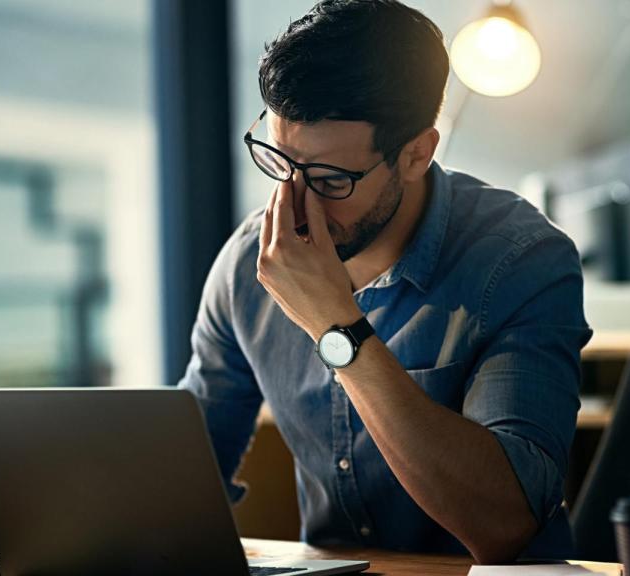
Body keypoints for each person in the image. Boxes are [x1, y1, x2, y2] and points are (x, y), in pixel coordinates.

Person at [178, 0, 591, 563]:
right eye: (279, 162)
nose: (295, 204)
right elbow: (182, 476)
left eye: (329, 179)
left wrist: (334, 326)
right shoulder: (250, 263)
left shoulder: (521, 260)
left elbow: (506, 524)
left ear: (416, 154)